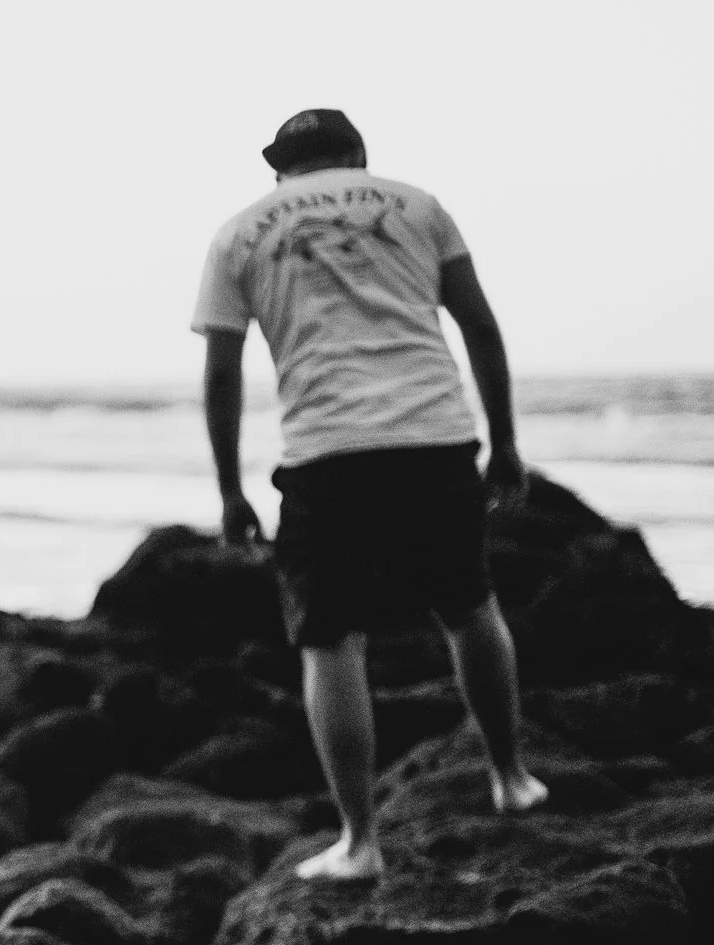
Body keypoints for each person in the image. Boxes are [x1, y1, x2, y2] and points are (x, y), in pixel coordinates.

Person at [196, 108, 550, 883]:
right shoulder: (417, 204)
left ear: (281, 170)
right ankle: (511, 778)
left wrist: (229, 489)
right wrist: (507, 445)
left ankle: (360, 841)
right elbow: (480, 329)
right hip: (434, 434)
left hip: (328, 453)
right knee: (469, 605)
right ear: (357, 155)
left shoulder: (239, 232)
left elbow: (223, 373)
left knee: (331, 640)